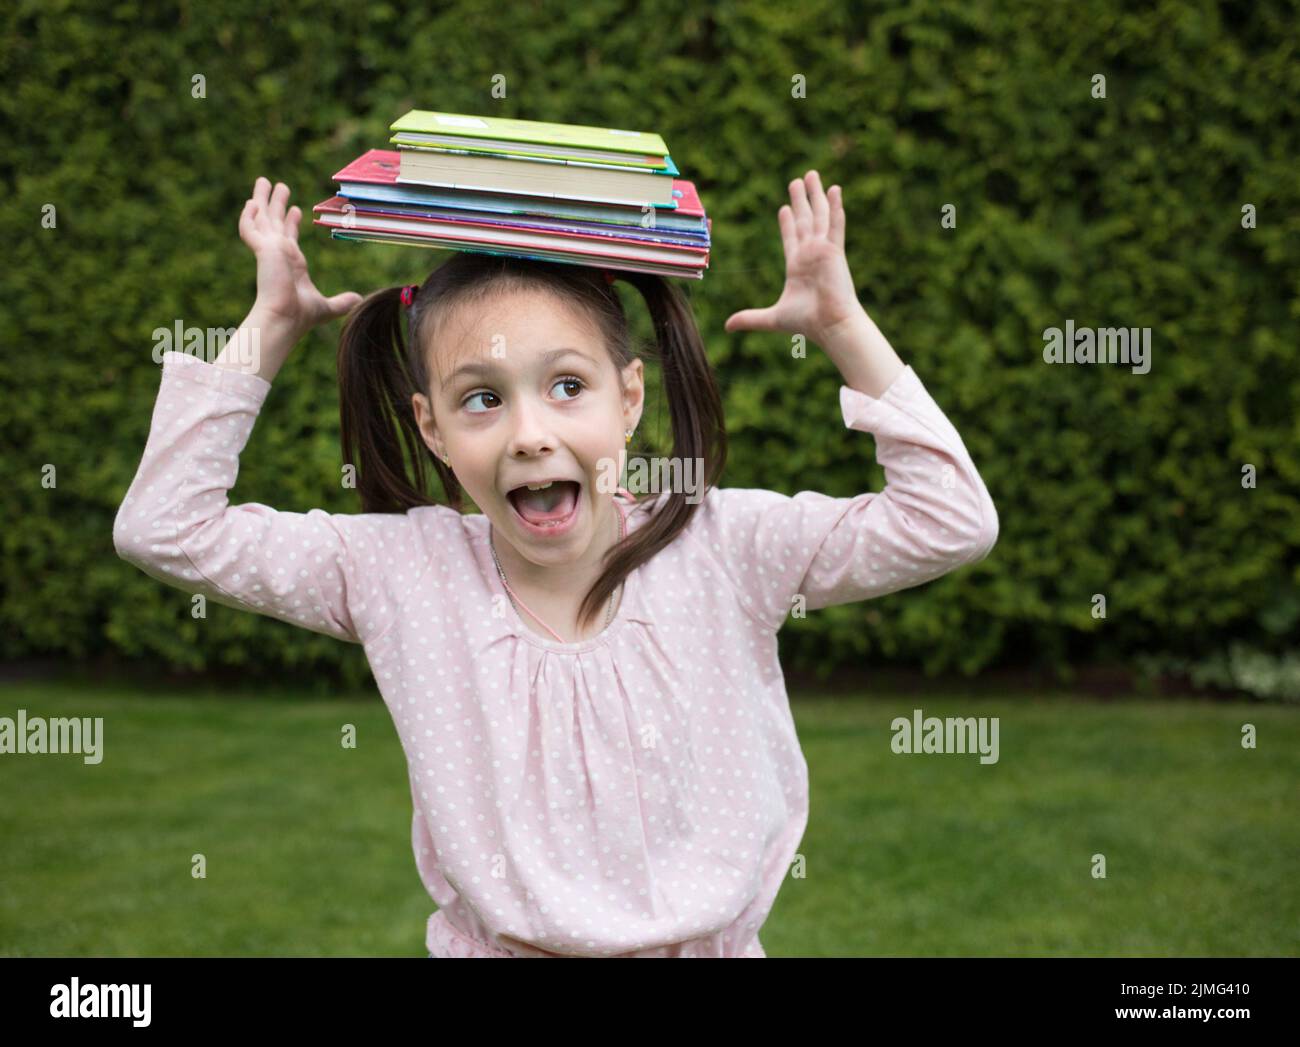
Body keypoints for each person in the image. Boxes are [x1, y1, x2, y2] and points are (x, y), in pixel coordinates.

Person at [113, 171, 998, 958]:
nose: (531, 432)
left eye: (567, 385)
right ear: (433, 428)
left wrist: (843, 327)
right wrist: (269, 328)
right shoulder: (401, 574)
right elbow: (165, 526)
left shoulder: (725, 549)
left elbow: (950, 522)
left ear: (630, 396)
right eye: (483, 400)